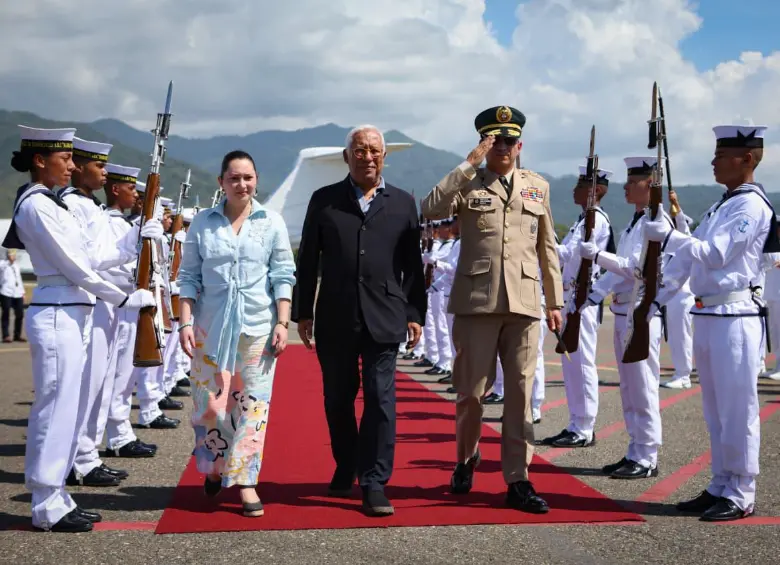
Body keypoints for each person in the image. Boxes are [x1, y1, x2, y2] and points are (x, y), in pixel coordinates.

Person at [5, 125, 160, 533]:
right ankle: (45, 500)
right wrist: (124, 299)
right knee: (55, 409)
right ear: (40, 161)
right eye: (65, 159)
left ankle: (58, 494)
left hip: (75, 312)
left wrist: (135, 236)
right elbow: (76, 267)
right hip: (57, 310)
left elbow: (95, 254)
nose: (72, 166)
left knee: (73, 407)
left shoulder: (58, 206)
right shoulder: (35, 206)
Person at [422, 106, 563, 514]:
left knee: (520, 392)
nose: (502, 147)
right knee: (470, 393)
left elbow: (547, 247)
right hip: (476, 303)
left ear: (520, 145)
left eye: (509, 141)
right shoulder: (469, 182)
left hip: (523, 303)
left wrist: (554, 301)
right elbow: (431, 207)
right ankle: (466, 458)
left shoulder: (537, 187)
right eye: (494, 141)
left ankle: (518, 478)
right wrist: (469, 163)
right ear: (485, 144)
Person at [644, 124, 780, 521]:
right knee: (715, 409)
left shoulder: (750, 205)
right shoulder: (723, 204)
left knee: (737, 409)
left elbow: (716, 253)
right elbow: (691, 258)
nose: (713, 162)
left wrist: (669, 236)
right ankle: (721, 482)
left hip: (735, 316)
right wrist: (657, 299)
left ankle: (741, 491)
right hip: (708, 313)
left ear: (747, 159)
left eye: (722, 156)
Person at [292, 125, 426, 517]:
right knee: (337, 398)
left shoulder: (402, 203)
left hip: (384, 316)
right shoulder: (324, 201)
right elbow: (308, 261)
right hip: (335, 314)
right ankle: (346, 461)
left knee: (381, 399)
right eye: (359, 150)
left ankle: (374, 481)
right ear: (346, 156)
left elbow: (412, 267)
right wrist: (304, 311)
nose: (367, 157)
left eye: (374, 151)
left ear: (384, 156)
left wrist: (414, 313)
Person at [178, 150, 296, 518]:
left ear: (256, 179)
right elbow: (188, 277)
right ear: (221, 182)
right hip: (209, 327)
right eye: (234, 178)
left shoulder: (271, 222)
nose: (241, 184)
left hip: (258, 327)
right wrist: (183, 322)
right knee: (211, 406)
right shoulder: (202, 223)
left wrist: (282, 322)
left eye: (248, 177)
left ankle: (246, 482)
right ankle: (214, 467)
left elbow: (283, 274)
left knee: (252, 406)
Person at [579, 156, 673, 479]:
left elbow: (635, 267)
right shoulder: (635, 223)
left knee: (643, 388)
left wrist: (598, 256)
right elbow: (622, 273)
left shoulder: (658, 224)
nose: (626, 186)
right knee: (629, 389)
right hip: (622, 310)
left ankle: (647, 456)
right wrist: (595, 291)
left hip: (640, 314)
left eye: (634, 182)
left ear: (651, 185)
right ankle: (635, 450)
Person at [541, 165, 615, 448]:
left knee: (582, 364)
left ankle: (584, 427)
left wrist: (543, 243)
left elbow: (569, 254)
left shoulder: (596, 220)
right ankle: (576, 423)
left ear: (594, 191)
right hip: (571, 297)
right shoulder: (583, 219)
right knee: (571, 365)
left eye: (580, 186)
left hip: (583, 297)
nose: (574, 190)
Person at [659, 189, 696, 389]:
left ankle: (684, 375)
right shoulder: (668, 246)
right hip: (670, 295)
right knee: (674, 337)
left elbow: (682, 228)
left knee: (681, 337)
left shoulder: (684, 239)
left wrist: (676, 206)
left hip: (682, 295)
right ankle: (679, 372)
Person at [0, 249, 25, 342]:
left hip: (17, 292)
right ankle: (6, 336)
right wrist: (8, 261)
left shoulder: (16, 266)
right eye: (11, 254)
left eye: (14, 254)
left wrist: (22, 292)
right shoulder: (3, 264)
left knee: (20, 314)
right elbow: (2, 267)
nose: (12, 256)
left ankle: (17, 335)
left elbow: (19, 279)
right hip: (6, 292)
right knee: (5, 313)